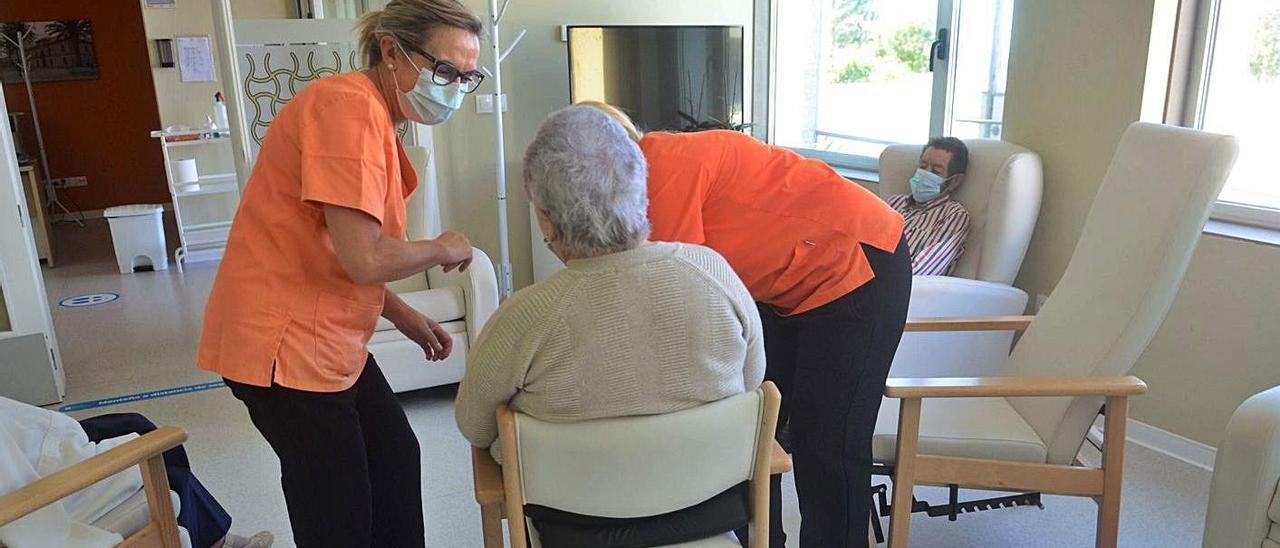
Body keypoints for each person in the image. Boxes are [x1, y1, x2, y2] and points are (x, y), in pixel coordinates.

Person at [195, 1, 483, 545]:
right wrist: (440, 247)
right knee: (338, 507)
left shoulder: (375, 119)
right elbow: (366, 257)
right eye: (445, 71)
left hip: (326, 335)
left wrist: (403, 315)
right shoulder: (347, 110)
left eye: (468, 77)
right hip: (283, 347)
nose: (455, 88)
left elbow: (331, 247)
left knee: (394, 455)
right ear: (392, 52)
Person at [580, 101, 912, 547]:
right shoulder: (639, 184)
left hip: (860, 261)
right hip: (787, 285)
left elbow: (679, 292)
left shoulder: (662, 168)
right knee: (753, 425)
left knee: (826, 446)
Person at [454, 106, 765, 543]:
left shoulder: (524, 316)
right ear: (642, 188)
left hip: (577, 531)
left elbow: (475, 425)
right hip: (706, 520)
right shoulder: (713, 273)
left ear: (545, 216)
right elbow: (752, 382)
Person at [0, 397, 271, 548]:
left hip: (22, 442)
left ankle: (214, 536)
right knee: (163, 461)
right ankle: (216, 541)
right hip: (25, 487)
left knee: (135, 423)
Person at [885, 137, 971, 276]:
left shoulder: (953, 215)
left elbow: (921, 271)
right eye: (923, 167)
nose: (925, 174)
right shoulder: (893, 203)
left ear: (954, 181)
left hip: (893, 286)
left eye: (936, 171)